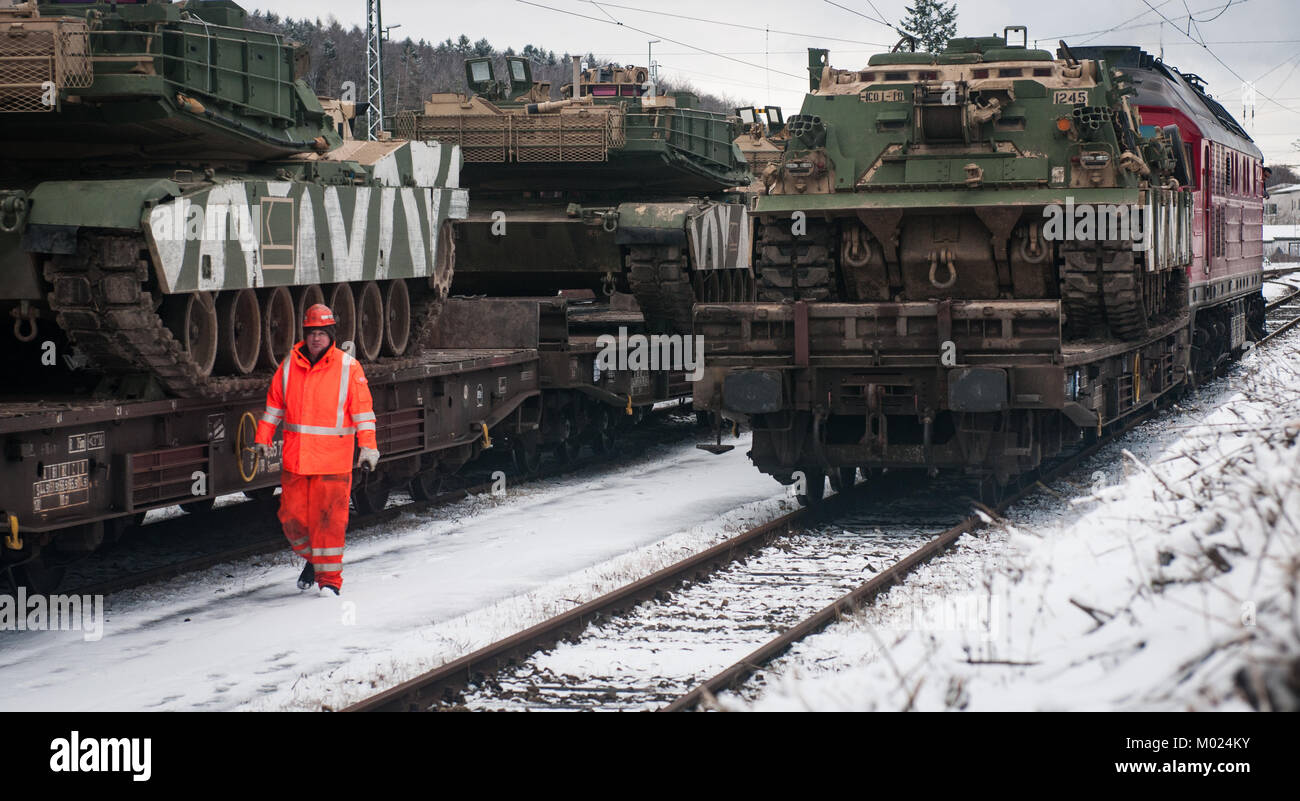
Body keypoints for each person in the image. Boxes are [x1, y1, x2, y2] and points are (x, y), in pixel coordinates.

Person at [252, 303, 380, 594]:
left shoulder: (349, 367)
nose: (316, 338)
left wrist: (368, 448)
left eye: (322, 333)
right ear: (305, 335)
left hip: (332, 463)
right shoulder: (288, 366)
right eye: (311, 332)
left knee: (329, 524)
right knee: (292, 518)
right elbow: (274, 406)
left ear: (331, 335)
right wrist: (263, 438)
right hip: (297, 462)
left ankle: (330, 584)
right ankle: (314, 561)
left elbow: (363, 413)